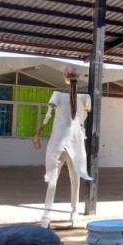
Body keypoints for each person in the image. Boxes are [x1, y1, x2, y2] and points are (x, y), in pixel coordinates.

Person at [32, 67, 92, 228]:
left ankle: (46, 217)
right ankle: (74, 215)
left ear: (66, 79)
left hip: (58, 142)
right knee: (76, 180)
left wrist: (37, 133)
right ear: (78, 79)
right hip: (76, 142)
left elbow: (48, 116)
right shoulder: (85, 97)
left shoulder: (57, 95)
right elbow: (84, 116)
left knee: (52, 180)